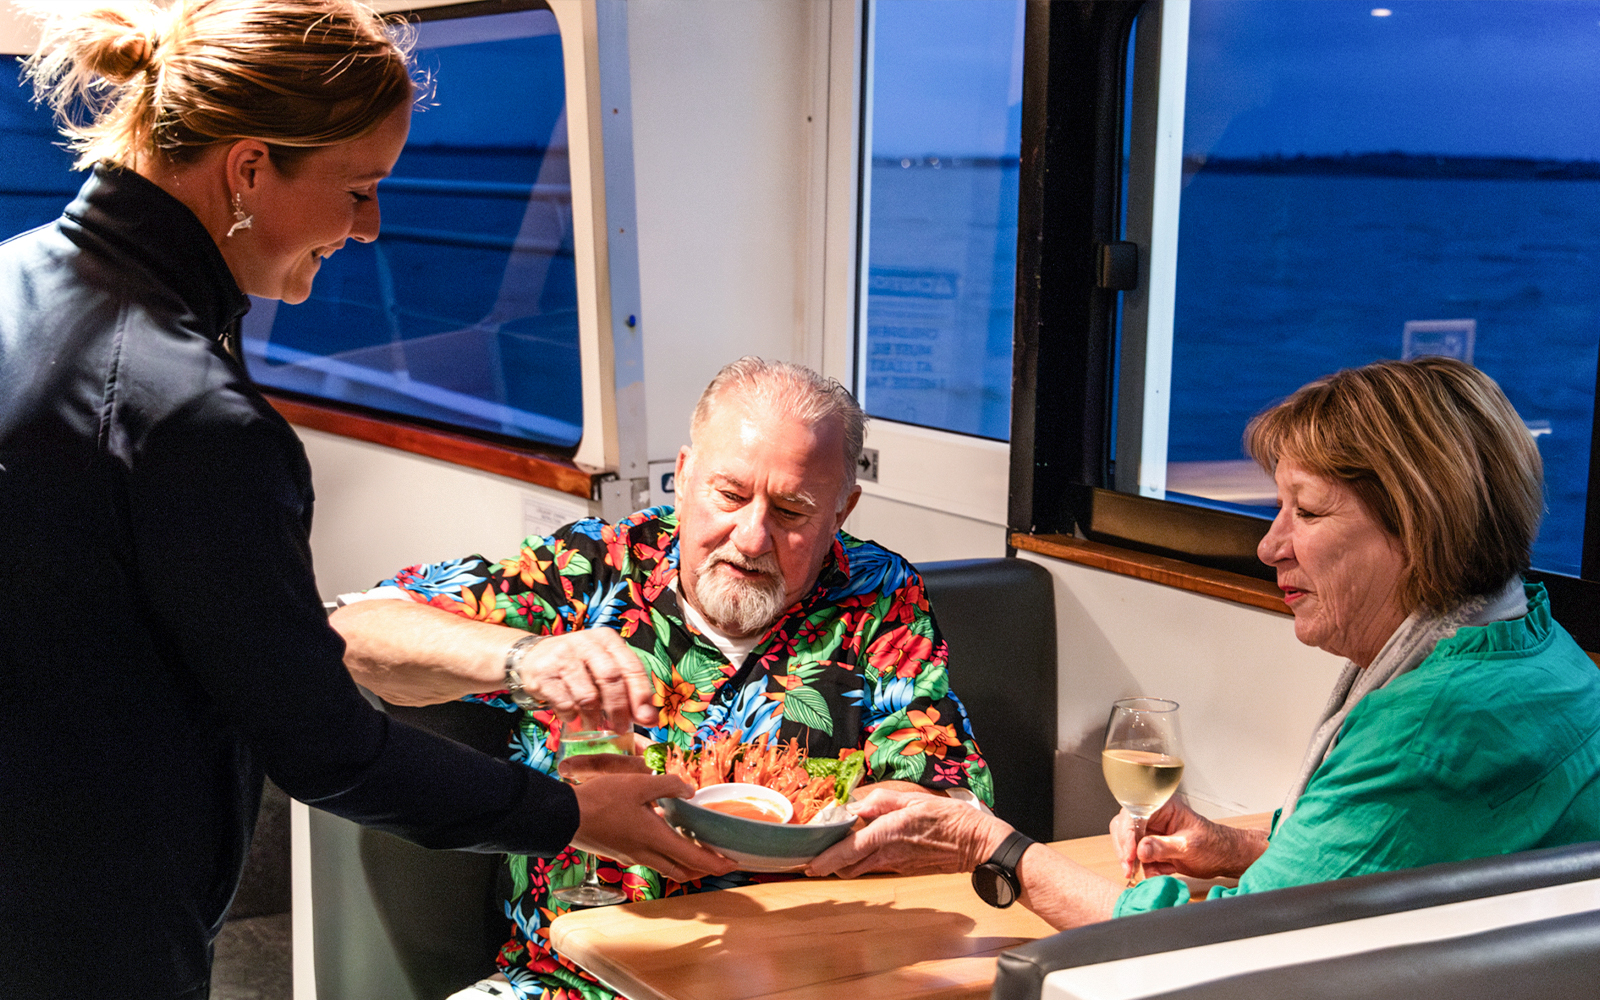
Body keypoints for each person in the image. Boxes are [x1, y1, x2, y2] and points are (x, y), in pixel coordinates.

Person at [0, 4, 723, 995]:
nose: (372, 226)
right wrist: (570, 812)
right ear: (249, 170)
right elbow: (328, 750)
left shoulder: (15, 282)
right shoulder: (195, 421)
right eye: (361, 188)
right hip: (82, 925)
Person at [808, 357, 1600, 929]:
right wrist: (1228, 846)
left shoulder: (1433, 730)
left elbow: (1211, 953)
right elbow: (1383, 867)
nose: (1270, 546)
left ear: (1419, 532)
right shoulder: (1541, 648)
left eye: (1309, 513)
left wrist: (994, 843)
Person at [332, 356, 994, 999]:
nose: (752, 536)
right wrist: (527, 658)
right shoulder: (593, 571)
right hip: (575, 979)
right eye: (729, 494)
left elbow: (952, 803)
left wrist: (882, 830)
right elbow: (355, 629)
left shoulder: (879, 600)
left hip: (808, 975)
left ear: (840, 512)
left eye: (791, 512)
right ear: (683, 476)